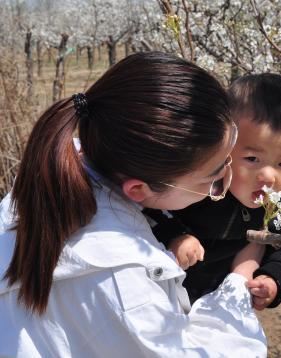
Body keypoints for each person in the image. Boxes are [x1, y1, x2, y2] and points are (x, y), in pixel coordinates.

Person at [0, 52, 267, 357]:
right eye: (213, 178)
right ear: (138, 188)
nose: (223, 183)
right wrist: (235, 293)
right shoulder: (123, 284)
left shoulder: (52, 178)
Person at [143, 73, 281, 310]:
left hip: (221, 288)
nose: (269, 177)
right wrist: (175, 235)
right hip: (166, 279)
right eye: (252, 159)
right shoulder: (200, 178)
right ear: (223, 146)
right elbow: (152, 205)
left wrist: (273, 278)